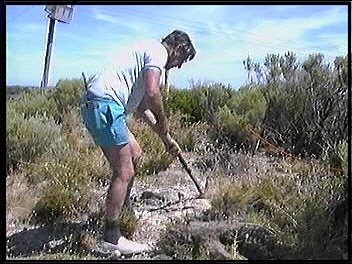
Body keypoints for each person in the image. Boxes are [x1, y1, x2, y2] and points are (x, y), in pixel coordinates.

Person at [80, 30, 196, 255]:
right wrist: (164, 121)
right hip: (105, 105)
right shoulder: (158, 53)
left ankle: (123, 208)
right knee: (124, 171)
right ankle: (111, 240)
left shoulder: (145, 55)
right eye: (182, 60)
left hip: (102, 105)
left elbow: (143, 109)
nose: (179, 66)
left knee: (135, 153)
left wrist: (166, 138)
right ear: (179, 49)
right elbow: (153, 94)